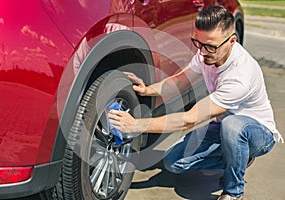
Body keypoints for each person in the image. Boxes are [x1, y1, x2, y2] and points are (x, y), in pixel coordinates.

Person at [108, 5, 283, 200]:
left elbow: (190, 119)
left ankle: (234, 191)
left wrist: (136, 125)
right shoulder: (206, 53)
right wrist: (148, 89)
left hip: (257, 132)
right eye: (197, 43)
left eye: (210, 47)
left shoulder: (240, 76)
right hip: (221, 128)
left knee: (233, 126)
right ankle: (237, 158)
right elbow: (180, 80)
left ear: (232, 41)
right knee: (173, 163)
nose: (202, 51)